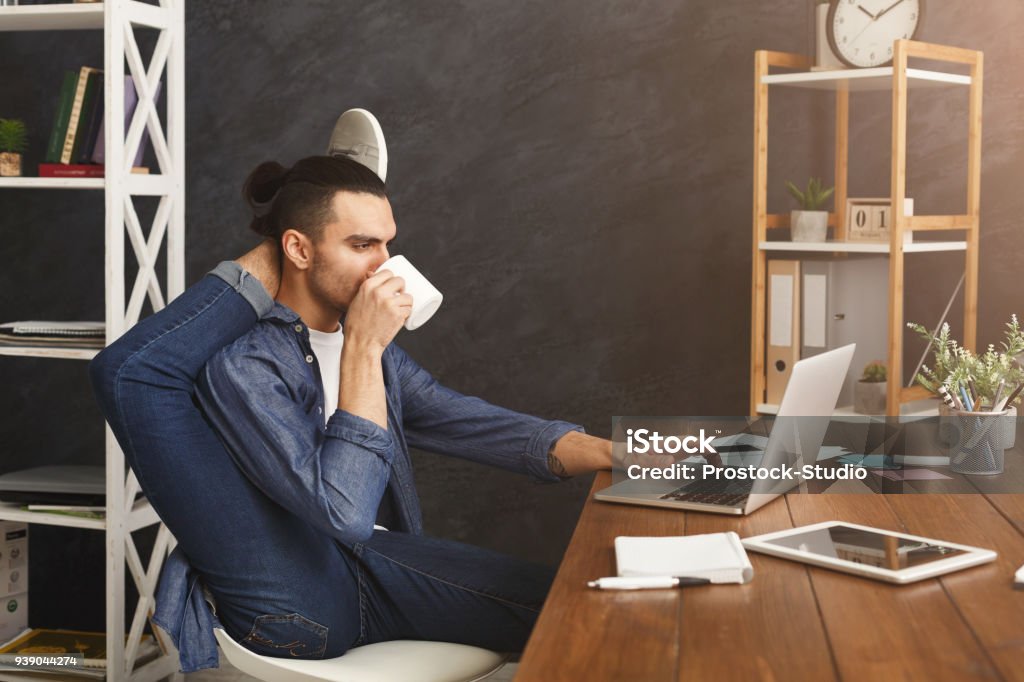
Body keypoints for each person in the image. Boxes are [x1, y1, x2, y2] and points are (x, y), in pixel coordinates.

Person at [89, 110, 615, 672]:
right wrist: (362, 347)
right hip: (308, 607)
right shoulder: (248, 364)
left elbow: (466, 420)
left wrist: (621, 455)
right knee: (572, 610)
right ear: (296, 250)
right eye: (362, 244)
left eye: (387, 245)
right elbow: (342, 510)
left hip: (370, 565)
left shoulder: (371, 351)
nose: (384, 268)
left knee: (586, 599)